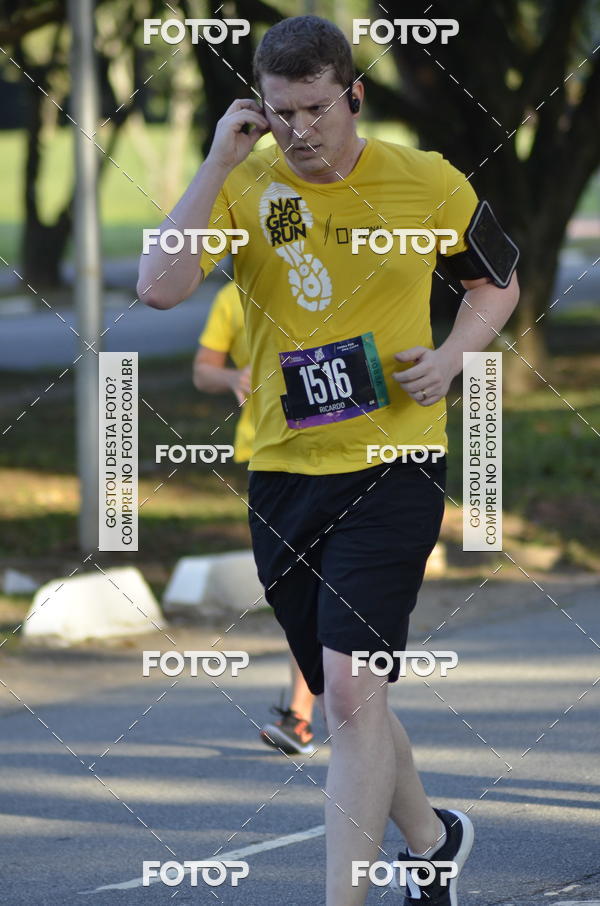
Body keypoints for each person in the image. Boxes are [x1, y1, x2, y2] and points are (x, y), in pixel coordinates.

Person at [138, 15, 520, 905]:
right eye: (281, 113)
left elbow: (495, 278)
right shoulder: (246, 179)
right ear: (257, 107)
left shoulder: (422, 180)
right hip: (281, 470)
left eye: (316, 109)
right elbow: (158, 289)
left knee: (348, 691)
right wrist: (215, 165)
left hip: (395, 462)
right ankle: (431, 839)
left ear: (351, 94)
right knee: (353, 696)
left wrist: (455, 355)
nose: (300, 131)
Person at [193, 281, 316, 755]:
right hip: (269, 457)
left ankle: (307, 713)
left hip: (344, 453)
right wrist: (233, 378)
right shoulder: (232, 298)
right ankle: (311, 712)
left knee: (325, 585)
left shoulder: (331, 275)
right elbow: (204, 371)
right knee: (296, 588)